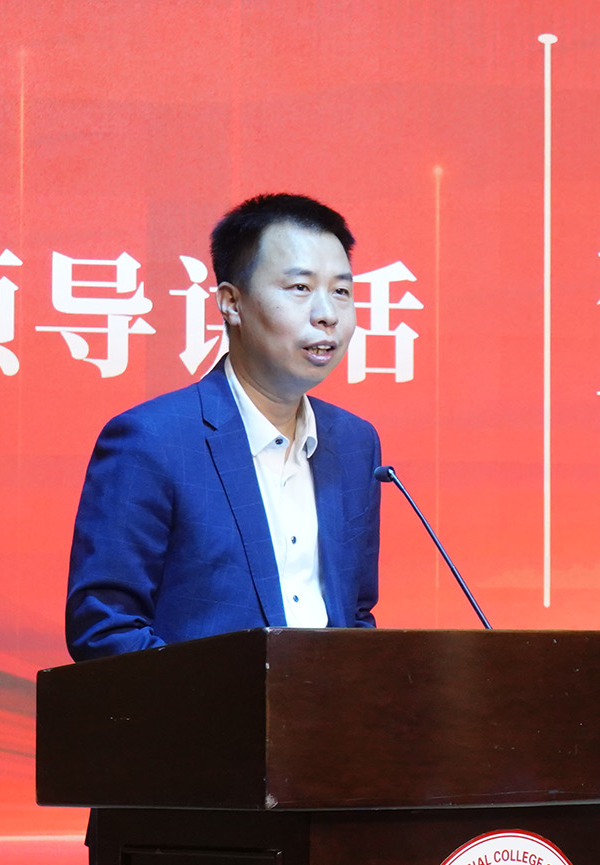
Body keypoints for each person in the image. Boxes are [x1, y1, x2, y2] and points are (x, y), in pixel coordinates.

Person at [65, 193, 382, 663]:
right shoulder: (151, 441)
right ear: (231, 303)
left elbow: (355, 616)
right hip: (202, 711)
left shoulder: (355, 444)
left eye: (341, 291)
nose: (328, 314)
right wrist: (223, 702)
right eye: (300, 288)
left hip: (322, 711)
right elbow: (105, 628)